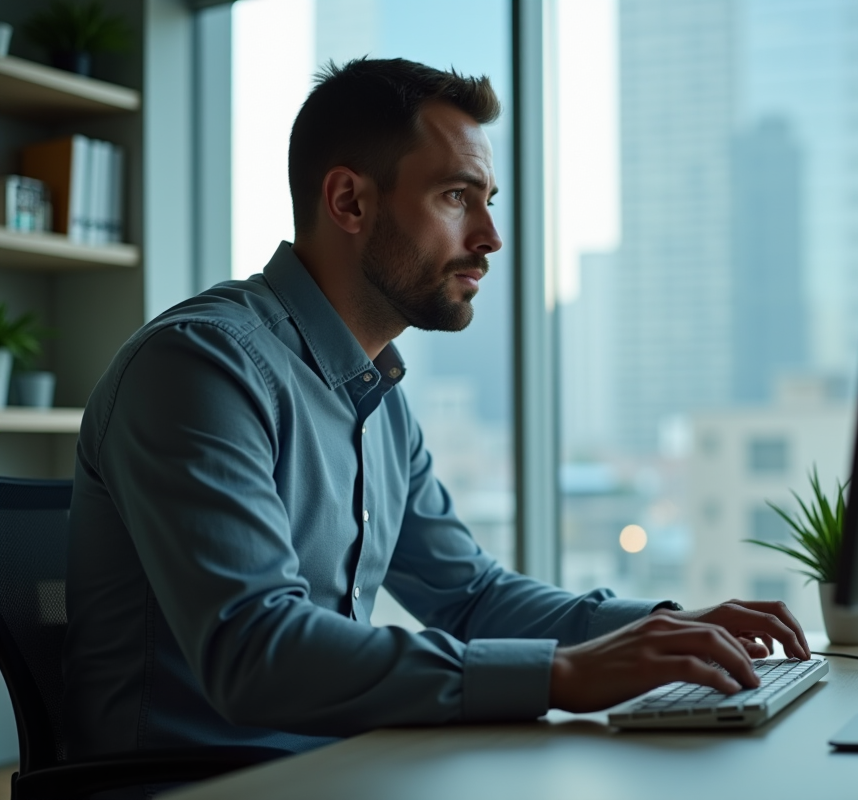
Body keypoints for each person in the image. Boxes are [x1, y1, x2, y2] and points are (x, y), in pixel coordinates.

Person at [63, 57, 809, 759]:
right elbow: (257, 651)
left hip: (334, 768)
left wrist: (663, 630)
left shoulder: (376, 396)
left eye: (487, 202)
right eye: (457, 197)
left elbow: (472, 596)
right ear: (350, 200)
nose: (489, 239)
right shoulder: (200, 367)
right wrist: (564, 675)